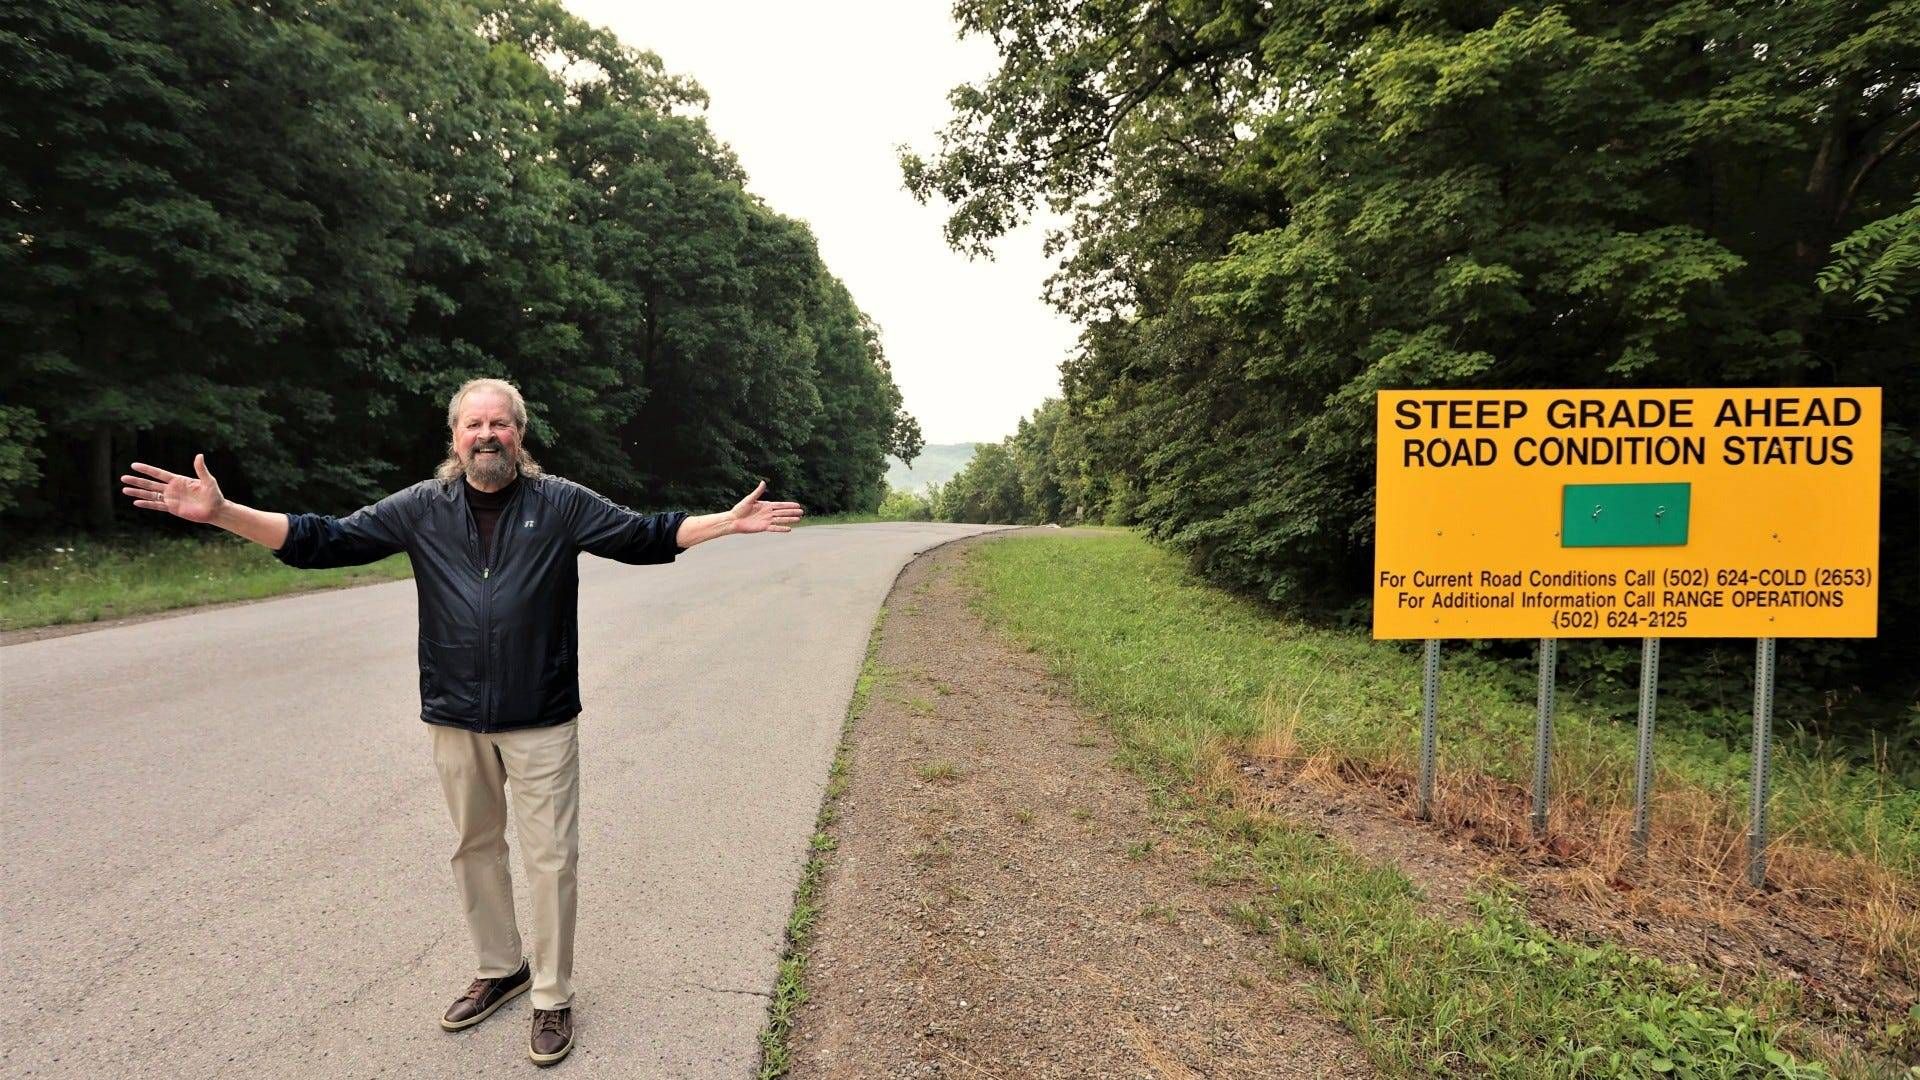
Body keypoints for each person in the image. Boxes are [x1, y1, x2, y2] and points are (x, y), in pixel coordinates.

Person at [119, 377, 803, 1067]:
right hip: (454, 715)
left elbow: (643, 535)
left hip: (540, 714)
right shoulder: (422, 507)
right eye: (474, 424)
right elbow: (323, 540)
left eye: (499, 424)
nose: (486, 435)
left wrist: (726, 521)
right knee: (475, 846)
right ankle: (501, 968)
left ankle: (551, 995)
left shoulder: (560, 503)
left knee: (551, 858)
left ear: (519, 435)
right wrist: (223, 512)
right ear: (455, 437)